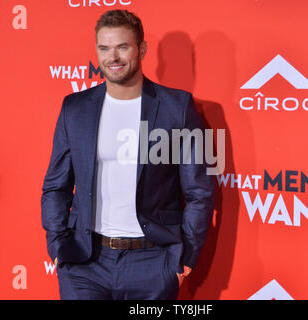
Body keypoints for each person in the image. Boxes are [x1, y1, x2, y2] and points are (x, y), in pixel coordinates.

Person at [41, 9, 215, 300]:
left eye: (122, 47)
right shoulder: (75, 107)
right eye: (104, 48)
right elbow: (55, 185)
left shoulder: (178, 106)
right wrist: (57, 244)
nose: (113, 57)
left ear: (141, 49)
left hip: (153, 262)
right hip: (85, 263)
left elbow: (200, 190)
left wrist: (184, 257)